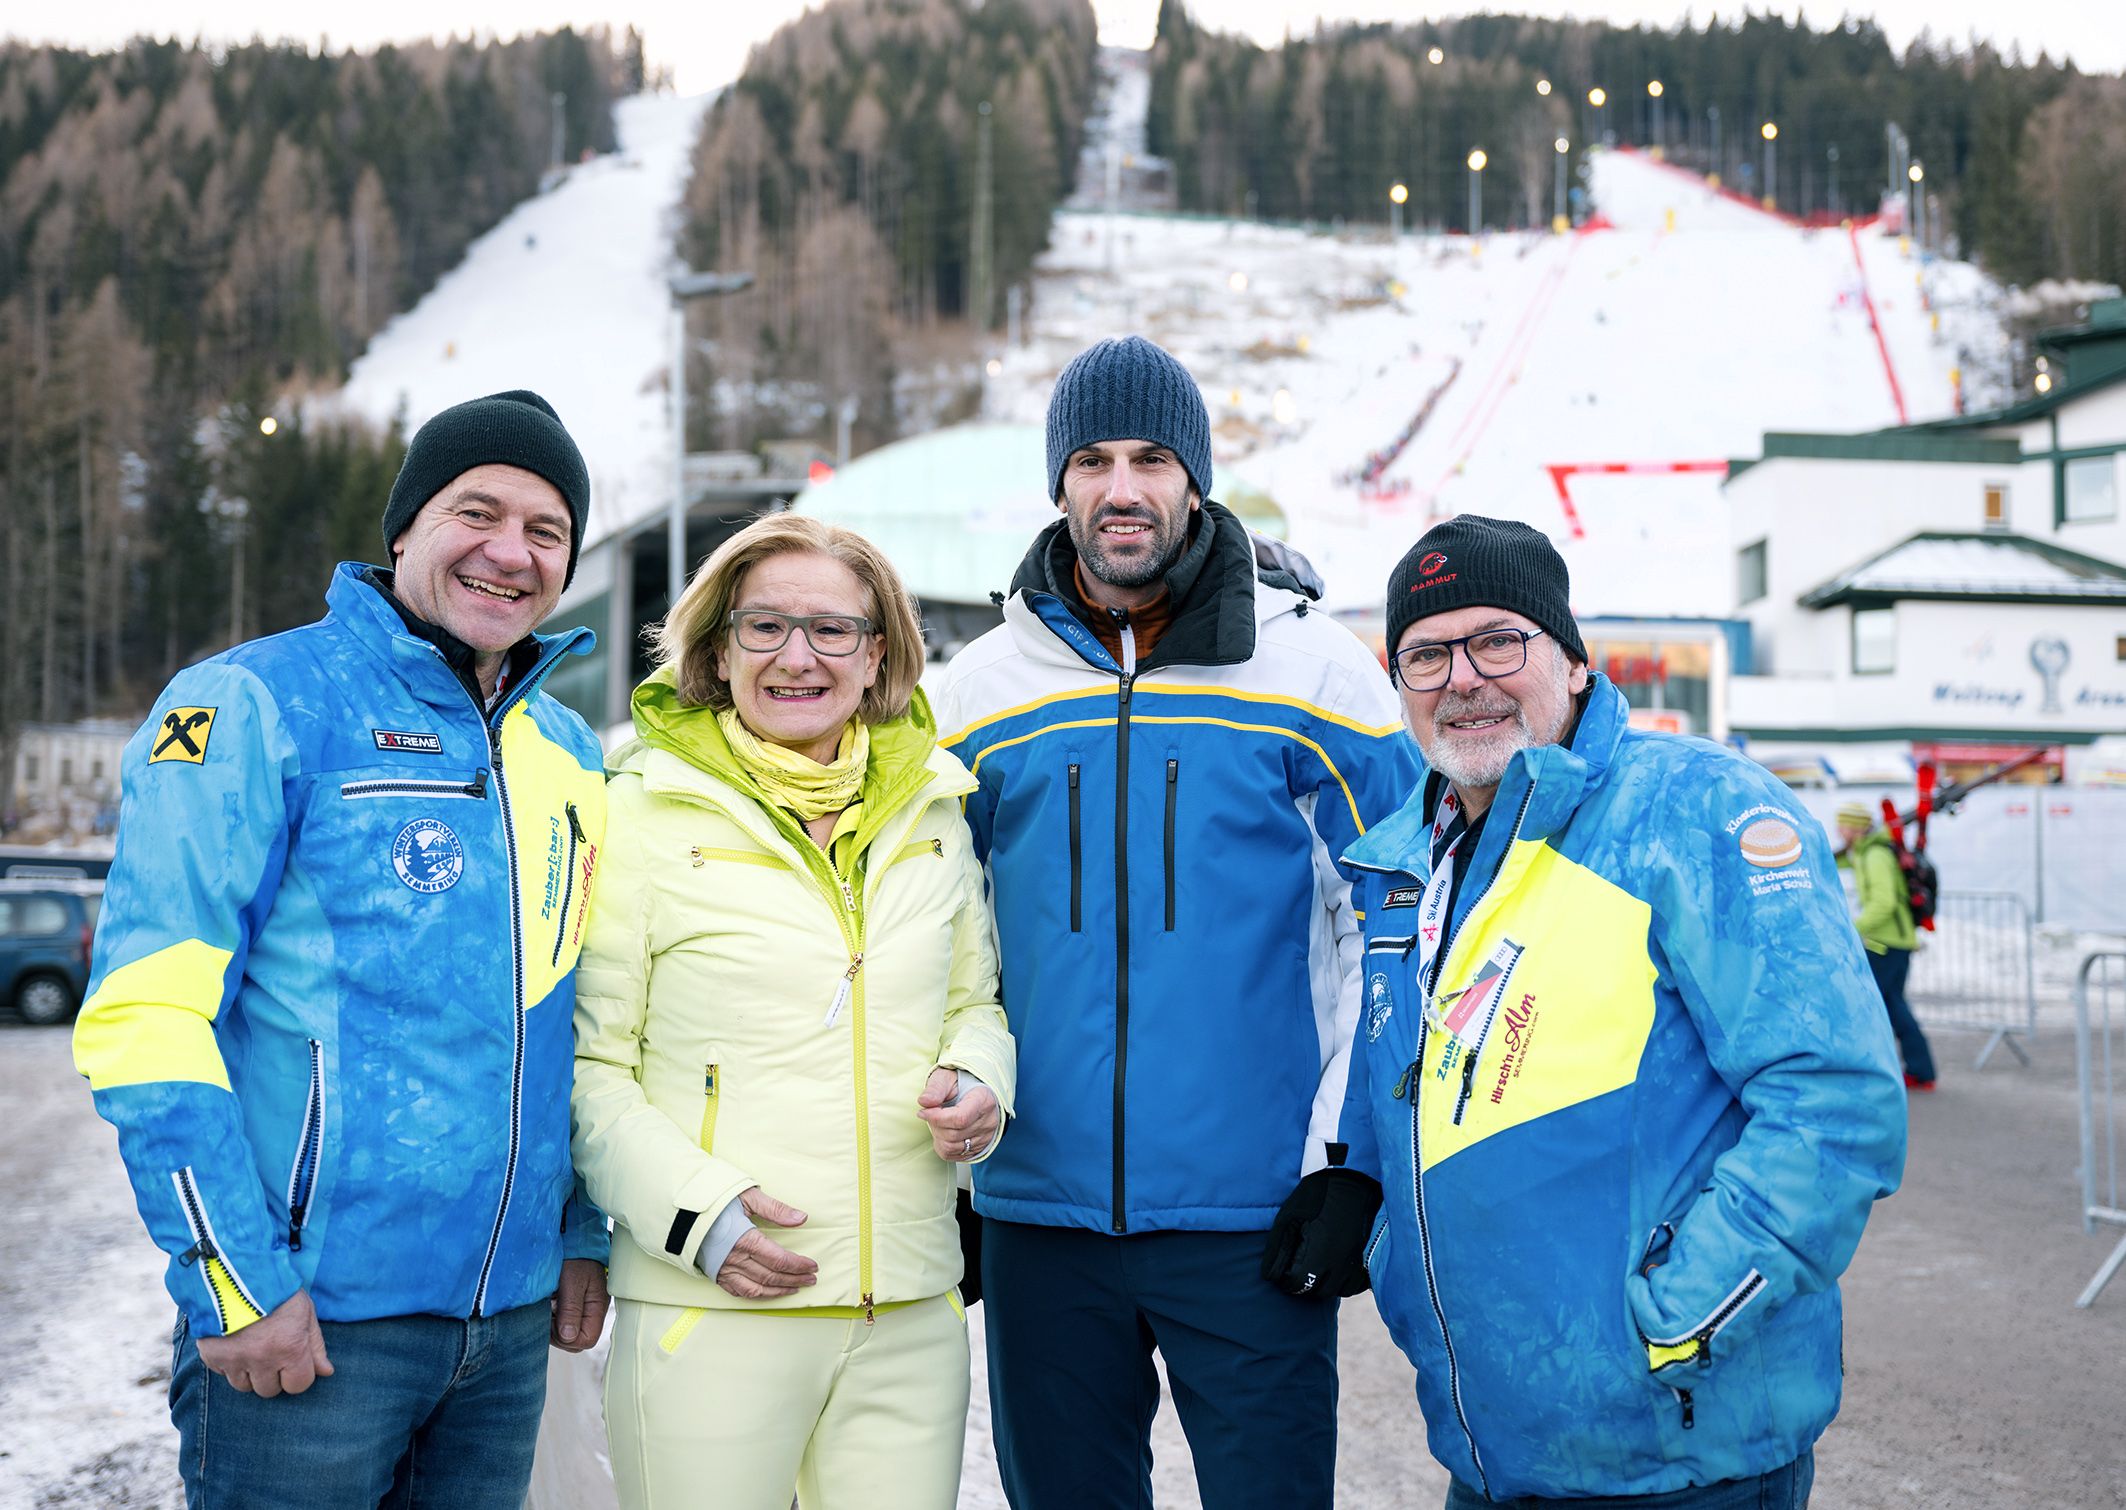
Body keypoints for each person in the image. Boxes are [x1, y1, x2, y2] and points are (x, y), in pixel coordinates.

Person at [73, 390, 614, 1508]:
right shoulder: (252, 703)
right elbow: (146, 1016)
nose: (509, 552)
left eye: (546, 529)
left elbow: (566, 1018)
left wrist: (573, 1230)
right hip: (311, 1326)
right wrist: (236, 1282)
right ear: (406, 524)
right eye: (478, 510)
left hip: (504, 1334)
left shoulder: (566, 748)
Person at [1301, 514, 1907, 1509]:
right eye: (1424, 654)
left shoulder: (1694, 811)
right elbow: (1415, 1082)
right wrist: (1358, 1192)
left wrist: (1678, 1317)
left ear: (1572, 661)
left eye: (1497, 640)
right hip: (1490, 1450)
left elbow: (1834, 1104)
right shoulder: (1406, 865)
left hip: (1673, 1457)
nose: (1462, 677)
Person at [932, 335, 1418, 1508]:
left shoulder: (1312, 672)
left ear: (1193, 478)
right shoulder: (977, 692)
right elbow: (938, 936)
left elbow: (1398, 920)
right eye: (1091, 460)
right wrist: (950, 1186)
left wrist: (1345, 1161)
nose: (1121, 487)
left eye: (1151, 457)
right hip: (1037, 1221)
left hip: (1253, 1220)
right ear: (1059, 485)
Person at [570, 514, 1015, 1510]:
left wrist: (983, 1079)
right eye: (764, 627)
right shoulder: (636, 810)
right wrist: (698, 1215)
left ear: (880, 655)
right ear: (716, 650)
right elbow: (585, 1068)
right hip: (712, 1302)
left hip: (904, 1311)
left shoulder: (933, 809)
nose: (796, 657)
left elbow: (972, 1002)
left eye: (832, 630)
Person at [1837, 801, 1937, 1091]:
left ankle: (1913, 1070)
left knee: (1881, 1006)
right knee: (1892, 1004)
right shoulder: (1864, 852)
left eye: (1842, 825)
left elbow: (1884, 902)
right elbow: (1838, 860)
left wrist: (1851, 930)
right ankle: (1919, 1070)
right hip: (1890, 941)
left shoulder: (1875, 856)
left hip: (1887, 943)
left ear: (1854, 828)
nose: (1839, 831)